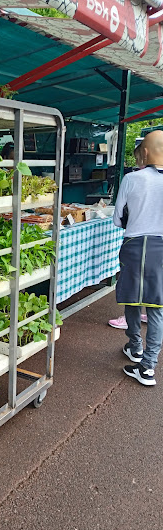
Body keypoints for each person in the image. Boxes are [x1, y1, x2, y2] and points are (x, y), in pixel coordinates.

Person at [113, 130, 163, 385]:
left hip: (136, 244)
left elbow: (117, 217)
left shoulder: (132, 178)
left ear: (145, 152)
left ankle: (137, 349)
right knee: (157, 306)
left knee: (133, 299)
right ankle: (148, 365)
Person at [109, 143, 147, 329]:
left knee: (134, 283)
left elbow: (118, 219)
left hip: (136, 240)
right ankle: (149, 355)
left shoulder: (132, 179)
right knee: (155, 282)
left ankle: (134, 340)